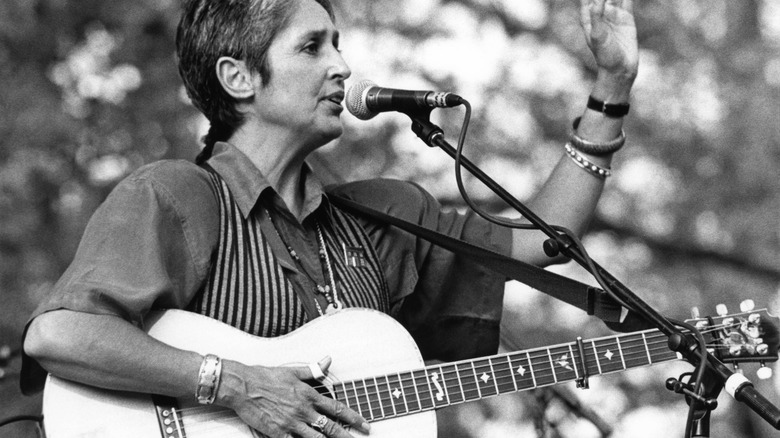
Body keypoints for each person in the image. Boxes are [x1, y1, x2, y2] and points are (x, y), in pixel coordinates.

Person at [22, 0, 638, 437]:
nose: (341, 66)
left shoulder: (384, 216)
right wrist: (234, 384)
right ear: (238, 78)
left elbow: (540, 242)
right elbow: (60, 336)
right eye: (312, 47)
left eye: (338, 43)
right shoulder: (175, 196)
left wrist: (611, 87)